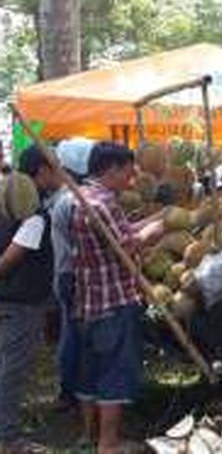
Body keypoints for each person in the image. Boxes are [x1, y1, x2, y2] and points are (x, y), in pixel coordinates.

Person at [70, 142, 164, 454]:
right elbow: (125, 245)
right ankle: (108, 444)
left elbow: (115, 234)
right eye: (127, 171)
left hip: (87, 301)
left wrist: (151, 220)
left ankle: (89, 435)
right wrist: (153, 231)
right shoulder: (104, 203)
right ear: (111, 169)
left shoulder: (79, 197)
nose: (131, 178)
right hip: (113, 302)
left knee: (90, 371)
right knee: (114, 372)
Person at [0, 145, 62, 452]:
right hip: (20, 305)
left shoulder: (10, 201)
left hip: (14, 302)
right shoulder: (33, 214)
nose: (61, 173)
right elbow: (9, 260)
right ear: (41, 172)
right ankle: (8, 438)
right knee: (12, 370)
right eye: (56, 167)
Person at [51, 138, 95, 411]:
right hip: (73, 274)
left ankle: (70, 391)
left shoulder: (66, 197)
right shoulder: (74, 200)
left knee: (72, 334)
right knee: (77, 336)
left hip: (66, 273)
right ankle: (73, 392)